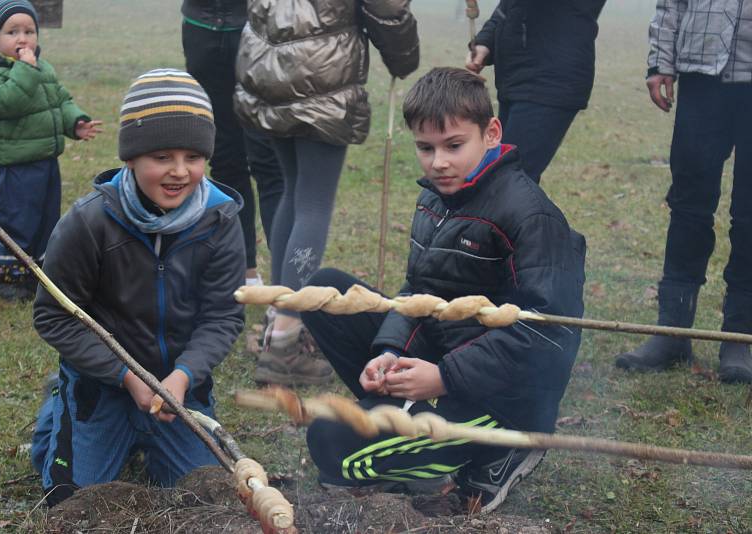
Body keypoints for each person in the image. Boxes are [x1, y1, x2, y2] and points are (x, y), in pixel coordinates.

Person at [302, 68, 586, 511]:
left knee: (332, 447)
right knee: (325, 291)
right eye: (426, 148)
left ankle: (503, 449)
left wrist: (444, 376)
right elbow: (419, 289)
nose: (439, 163)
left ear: (491, 133)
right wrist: (390, 350)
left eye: (454, 146)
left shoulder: (530, 216)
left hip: (506, 399)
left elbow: (546, 335)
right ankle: (398, 413)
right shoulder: (436, 197)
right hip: (444, 362)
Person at [29, 69, 246, 506]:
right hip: (106, 382)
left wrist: (183, 378)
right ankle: (63, 406)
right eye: (161, 156)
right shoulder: (88, 223)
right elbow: (52, 315)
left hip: (178, 391)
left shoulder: (221, 221)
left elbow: (223, 315)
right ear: (130, 156)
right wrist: (125, 376)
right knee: (72, 501)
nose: (180, 172)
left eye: (193, 156)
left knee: (206, 498)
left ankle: (154, 425)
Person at [234, 0, 420, 385]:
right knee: (314, 203)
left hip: (269, 68)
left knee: (293, 190)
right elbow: (387, 9)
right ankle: (285, 342)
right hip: (321, 75)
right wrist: (404, 57)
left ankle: (278, 319)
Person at [615, 1, 752, 384]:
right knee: (689, 208)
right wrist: (661, 62)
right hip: (702, 76)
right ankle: (673, 332)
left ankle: (738, 339)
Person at [0, 0, 102, 302]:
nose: (22, 38)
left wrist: (74, 122)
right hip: (13, 168)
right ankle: (7, 278)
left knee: (45, 219)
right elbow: (4, 103)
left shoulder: (41, 69)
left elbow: (58, 100)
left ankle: (38, 273)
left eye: (29, 31)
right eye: (12, 32)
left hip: (45, 162)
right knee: (13, 219)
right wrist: (26, 69)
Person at [180, 0, 284, 286]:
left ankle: (255, 274)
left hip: (210, 31)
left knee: (238, 161)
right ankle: (260, 275)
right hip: (247, 30)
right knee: (263, 166)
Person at [465, 0, 606, 183]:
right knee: (497, 175)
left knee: (509, 179)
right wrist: (486, 42)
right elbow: (509, 7)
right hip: (516, 78)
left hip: (551, 80)